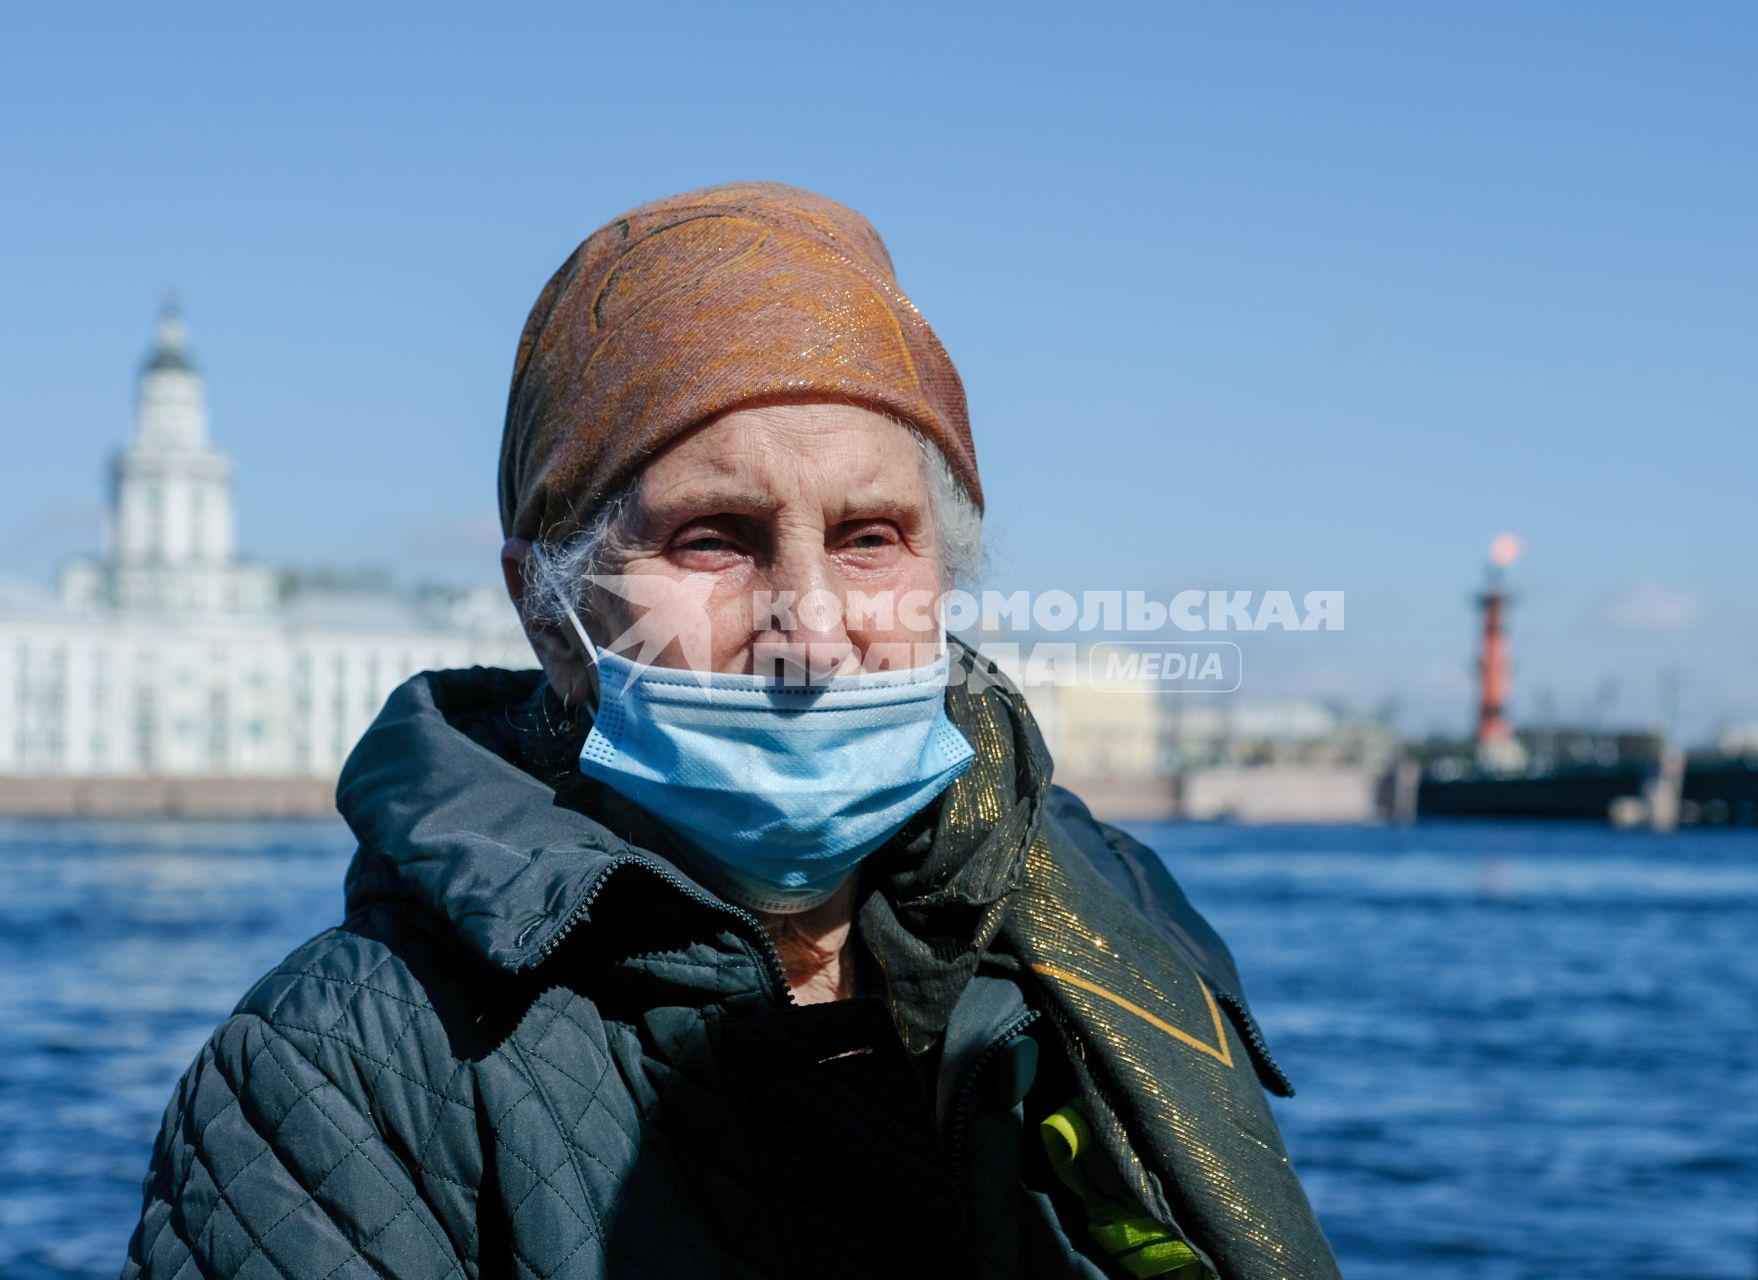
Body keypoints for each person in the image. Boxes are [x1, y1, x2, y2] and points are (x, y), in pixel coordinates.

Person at [124, 182, 1340, 1280]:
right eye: (714, 537)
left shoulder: (1105, 921)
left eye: (871, 536)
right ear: (551, 617)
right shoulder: (332, 1078)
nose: (811, 631)